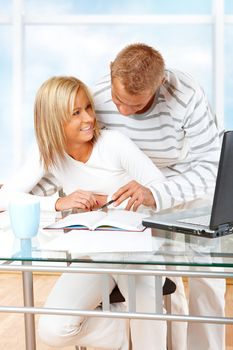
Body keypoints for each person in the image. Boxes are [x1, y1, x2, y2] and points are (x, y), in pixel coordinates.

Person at [0, 76, 169, 350]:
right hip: (91, 255)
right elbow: (3, 198)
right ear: (53, 120)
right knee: (53, 330)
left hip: (137, 251)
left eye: (88, 108)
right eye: (76, 113)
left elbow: (162, 191)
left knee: (148, 327)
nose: (88, 118)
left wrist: (110, 199)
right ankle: (117, 337)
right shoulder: (48, 154)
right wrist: (57, 203)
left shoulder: (114, 143)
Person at [92, 43, 225, 350]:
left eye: (135, 106)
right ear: (111, 69)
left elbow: (210, 166)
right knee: (163, 280)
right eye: (118, 101)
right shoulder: (95, 94)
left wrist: (157, 192)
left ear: (160, 83)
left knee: (209, 276)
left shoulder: (186, 95)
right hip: (135, 190)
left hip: (188, 184)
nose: (124, 111)